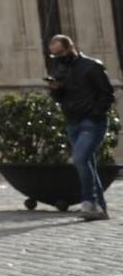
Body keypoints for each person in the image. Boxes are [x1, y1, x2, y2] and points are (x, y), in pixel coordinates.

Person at [44, 33, 115, 220]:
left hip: (92, 121)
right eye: (54, 55)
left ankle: (88, 202)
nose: (58, 57)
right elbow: (60, 98)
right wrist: (55, 90)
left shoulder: (92, 66)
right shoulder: (61, 69)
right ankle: (100, 208)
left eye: (60, 52)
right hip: (73, 122)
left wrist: (95, 113)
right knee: (87, 162)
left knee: (79, 158)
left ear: (70, 48)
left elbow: (107, 94)